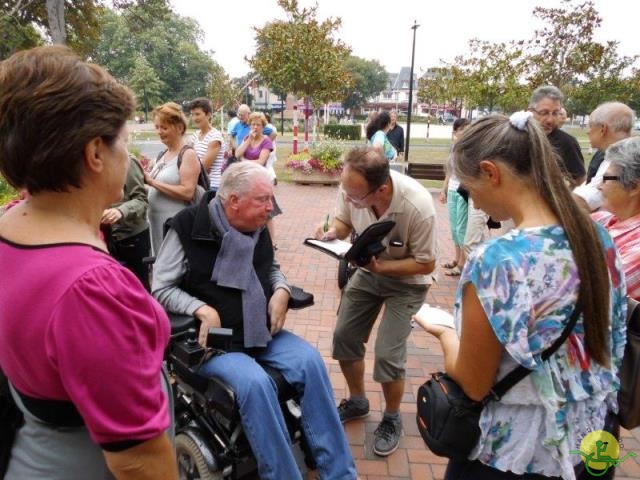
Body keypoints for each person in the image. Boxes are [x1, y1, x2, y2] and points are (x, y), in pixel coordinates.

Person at [413, 112, 626, 480]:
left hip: (521, 450)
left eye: (470, 188)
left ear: (491, 172)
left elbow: (474, 383)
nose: (474, 203)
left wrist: (444, 332)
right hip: (596, 439)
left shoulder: (496, 260)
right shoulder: (598, 236)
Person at [0, 45, 176, 480]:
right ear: (95, 153)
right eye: (124, 141)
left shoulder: (12, 226)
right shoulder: (93, 288)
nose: (129, 155)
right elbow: (137, 461)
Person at [152, 161, 357, 480]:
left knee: (310, 362)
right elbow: (160, 287)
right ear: (233, 201)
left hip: (259, 330)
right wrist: (200, 308)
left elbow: (269, 268)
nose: (270, 207)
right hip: (215, 341)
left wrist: (282, 290)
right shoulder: (188, 227)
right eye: (263, 200)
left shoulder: (257, 226)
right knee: (256, 384)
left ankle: (340, 473)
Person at [314, 146, 437, 457]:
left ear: (381, 189)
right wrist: (332, 232)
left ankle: (392, 418)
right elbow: (343, 223)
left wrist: (382, 267)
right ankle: (358, 401)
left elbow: (426, 263)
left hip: (408, 282)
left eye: (357, 197)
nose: (350, 199)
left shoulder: (418, 205)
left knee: (387, 355)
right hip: (369, 274)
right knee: (344, 337)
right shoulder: (351, 187)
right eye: (347, 192)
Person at [145, 101, 201, 255]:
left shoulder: (187, 154)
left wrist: (152, 182)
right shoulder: (162, 155)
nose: (159, 131)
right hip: (157, 224)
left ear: (180, 127)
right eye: (157, 127)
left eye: (164, 127)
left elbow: (187, 192)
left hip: (174, 225)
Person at [592, 137, 640, 301]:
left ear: (634, 187)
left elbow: (596, 292)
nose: (599, 186)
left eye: (607, 179)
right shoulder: (602, 218)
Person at [101, 154, 151, 290]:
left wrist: (121, 211)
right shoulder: (92, 162)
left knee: (140, 288)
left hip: (132, 238)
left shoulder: (128, 161)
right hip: (107, 239)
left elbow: (141, 200)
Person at [573, 102, 634, 211]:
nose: (588, 131)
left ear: (603, 129)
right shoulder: (609, 154)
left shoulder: (623, 160)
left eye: (591, 126)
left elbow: (590, 197)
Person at [235, 112, 283, 247]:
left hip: (261, 180)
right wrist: (249, 140)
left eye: (258, 124)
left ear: (263, 126)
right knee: (247, 207)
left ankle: (272, 242)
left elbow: (261, 161)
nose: (255, 127)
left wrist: (244, 162)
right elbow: (238, 154)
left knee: (267, 211)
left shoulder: (266, 141)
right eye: (253, 124)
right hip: (246, 179)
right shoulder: (247, 138)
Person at [528, 86, 586, 187]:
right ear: (530, 111)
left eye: (555, 113)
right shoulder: (517, 137)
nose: (550, 120)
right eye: (544, 113)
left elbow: (580, 182)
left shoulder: (567, 143)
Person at [439, 118, 470, 276]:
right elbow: (449, 172)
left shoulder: (471, 148)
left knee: (461, 228)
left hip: (463, 191)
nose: (465, 131)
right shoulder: (453, 148)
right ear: (455, 132)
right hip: (452, 190)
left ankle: (463, 263)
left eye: (467, 128)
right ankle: (456, 259)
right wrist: (443, 190)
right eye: (462, 129)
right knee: (454, 228)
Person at [189, 97, 225, 192]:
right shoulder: (195, 136)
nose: (194, 118)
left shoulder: (215, 137)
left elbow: (203, 167)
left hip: (211, 186)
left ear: (208, 115)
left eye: (197, 114)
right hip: (197, 183)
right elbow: (185, 157)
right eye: (192, 114)